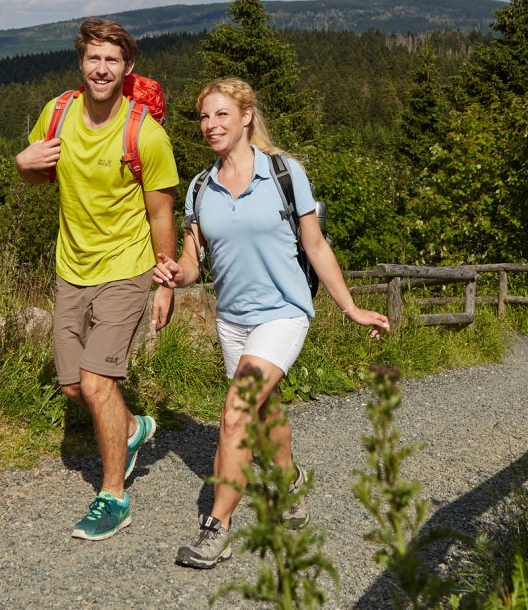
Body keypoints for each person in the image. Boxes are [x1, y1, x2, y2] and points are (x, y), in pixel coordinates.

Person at [154, 77, 389, 569]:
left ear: (245, 116)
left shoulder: (284, 172)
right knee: (264, 411)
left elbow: (316, 246)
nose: (211, 125)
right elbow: (194, 263)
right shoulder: (202, 187)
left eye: (221, 114)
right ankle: (289, 483)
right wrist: (176, 274)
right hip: (233, 321)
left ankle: (215, 529)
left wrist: (350, 307)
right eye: (203, 117)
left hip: (284, 312)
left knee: (235, 412)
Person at [15, 17, 178, 541]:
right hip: (72, 267)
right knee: (71, 387)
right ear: (80, 63)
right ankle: (131, 428)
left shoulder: (144, 133)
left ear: (126, 68)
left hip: (127, 269)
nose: (101, 68)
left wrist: (165, 281)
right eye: (93, 58)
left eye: (112, 60)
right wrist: (22, 164)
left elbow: (160, 214)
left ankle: (113, 497)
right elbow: (40, 170)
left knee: (98, 380)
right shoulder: (57, 113)